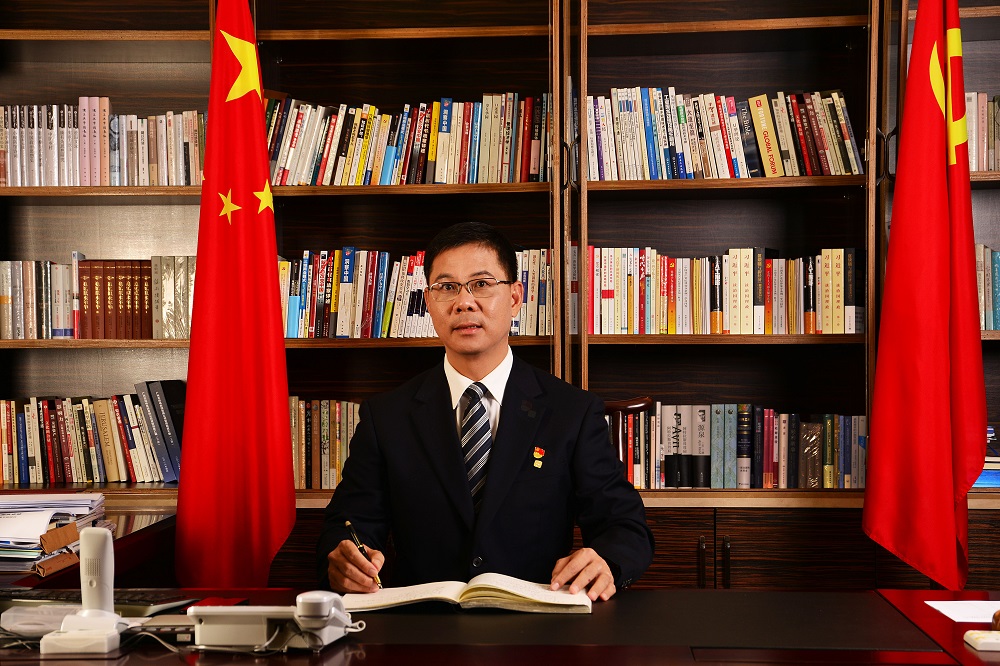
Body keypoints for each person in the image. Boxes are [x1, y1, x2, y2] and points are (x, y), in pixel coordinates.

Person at [317, 222, 653, 601]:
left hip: (538, 622)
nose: (464, 302)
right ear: (429, 302)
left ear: (515, 297)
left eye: (481, 284)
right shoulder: (386, 417)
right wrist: (344, 558)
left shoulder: (571, 412)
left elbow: (624, 525)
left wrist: (606, 560)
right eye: (447, 288)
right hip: (422, 623)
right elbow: (348, 524)